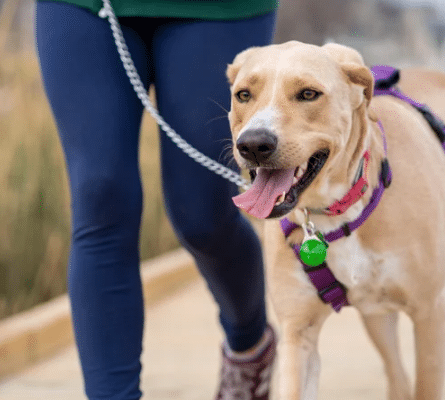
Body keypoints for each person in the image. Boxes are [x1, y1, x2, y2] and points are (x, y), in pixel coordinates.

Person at [34, 0, 278, 399]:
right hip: (84, 8)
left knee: (203, 215)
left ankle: (250, 344)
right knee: (100, 194)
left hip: (219, 10)